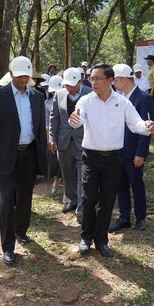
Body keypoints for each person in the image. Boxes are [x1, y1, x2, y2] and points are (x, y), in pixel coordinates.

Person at [69, 63, 154, 258]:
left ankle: (101, 240)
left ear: (110, 80)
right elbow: (77, 119)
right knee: (89, 199)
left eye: (98, 78)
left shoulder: (122, 102)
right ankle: (85, 238)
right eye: (91, 78)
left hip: (114, 160)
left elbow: (136, 124)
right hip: (90, 158)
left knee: (107, 202)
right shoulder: (86, 100)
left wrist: (147, 126)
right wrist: (74, 120)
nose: (93, 82)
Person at [0, 56, 47, 265]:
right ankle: (8, 246)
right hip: (6, 156)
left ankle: (21, 231)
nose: (23, 80)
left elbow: (40, 129)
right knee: (6, 200)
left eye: (26, 76)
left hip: (29, 154)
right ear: (11, 74)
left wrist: (42, 157)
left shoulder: (37, 97)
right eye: (19, 76)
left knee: (25, 197)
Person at [109, 64, 154, 233]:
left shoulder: (143, 98)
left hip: (133, 151)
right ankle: (124, 217)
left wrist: (141, 153)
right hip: (119, 150)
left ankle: (140, 217)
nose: (113, 83)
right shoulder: (118, 98)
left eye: (115, 80)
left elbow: (146, 128)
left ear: (124, 80)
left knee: (136, 185)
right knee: (121, 185)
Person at [49, 68, 92, 220]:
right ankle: (72, 199)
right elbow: (54, 117)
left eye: (72, 85)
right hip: (64, 142)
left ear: (81, 81)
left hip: (83, 141)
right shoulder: (59, 94)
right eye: (67, 85)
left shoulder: (90, 94)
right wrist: (52, 138)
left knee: (82, 176)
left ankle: (81, 207)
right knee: (67, 173)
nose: (69, 88)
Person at [43, 74, 63, 194]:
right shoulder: (47, 103)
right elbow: (47, 122)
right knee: (54, 159)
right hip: (53, 135)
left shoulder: (68, 101)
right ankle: (56, 179)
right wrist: (49, 138)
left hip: (66, 136)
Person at [144, 55, 154, 123]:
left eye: (147, 60)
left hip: (153, 89)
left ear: (151, 60)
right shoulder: (150, 69)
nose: (147, 61)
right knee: (150, 105)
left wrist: (152, 92)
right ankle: (151, 118)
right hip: (149, 89)